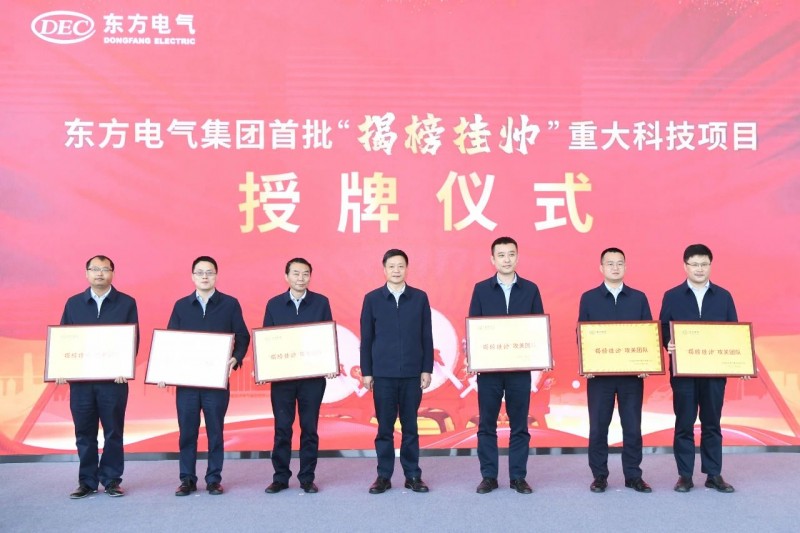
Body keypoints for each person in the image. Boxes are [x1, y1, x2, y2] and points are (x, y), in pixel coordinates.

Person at [166, 256, 250, 496]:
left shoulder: (230, 304)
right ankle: (187, 479)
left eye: (209, 272)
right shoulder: (181, 306)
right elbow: (170, 341)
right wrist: (164, 371)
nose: (205, 276)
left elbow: (243, 336)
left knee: (215, 432)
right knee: (187, 433)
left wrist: (236, 358)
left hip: (216, 382)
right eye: (200, 272)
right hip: (188, 383)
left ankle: (214, 479)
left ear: (216, 275)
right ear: (192, 276)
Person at [660, 244, 739, 493]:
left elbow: (734, 332)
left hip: (714, 373)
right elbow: (663, 328)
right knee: (684, 423)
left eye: (704, 264)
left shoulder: (724, 296)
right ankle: (685, 475)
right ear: (685, 266)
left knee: (712, 423)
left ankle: (713, 474)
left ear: (710, 266)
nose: (699, 269)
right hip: (683, 373)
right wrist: (667, 342)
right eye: (694, 264)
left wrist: (741, 361)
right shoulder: (672, 296)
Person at [58, 255, 139, 499]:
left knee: (114, 431)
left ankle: (112, 480)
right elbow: (64, 339)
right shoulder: (73, 303)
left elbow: (132, 338)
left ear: (113, 273)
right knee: (84, 432)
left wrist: (125, 366)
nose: (100, 273)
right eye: (95, 269)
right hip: (81, 382)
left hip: (113, 382)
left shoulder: (126, 303)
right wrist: (61, 367)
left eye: (105, 269)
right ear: (86, 273)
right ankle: (87, 481)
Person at [469, 236, 543, 494]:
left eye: (511, 254)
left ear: (517, 257)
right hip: (489, 370)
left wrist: (542, 354)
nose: (506, 259)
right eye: (501, 255)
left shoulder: (531, 289)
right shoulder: (481, 289)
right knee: (487, 425)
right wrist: (473, 355)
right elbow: (475, 326)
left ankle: (518, 477)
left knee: (519, 425)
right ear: (493, 259)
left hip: (519, 370)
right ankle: (489, 476)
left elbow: (538, 327)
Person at [578, 247, 653, 493]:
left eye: (620, 263)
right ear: (601, 267)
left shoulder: (639, 298)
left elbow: (648, 334)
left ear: (625, 267)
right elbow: (582, 334)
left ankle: (633, 475)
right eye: (610, 263)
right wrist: (587, 364)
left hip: (632, 376)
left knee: (632, 427)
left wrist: (647, 363)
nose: (615, 267)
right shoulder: (589, 298)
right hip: (600, 376)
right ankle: (599, 475)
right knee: (598, 427)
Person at [360, 249, 433, 494]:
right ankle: (383, 476)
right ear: (384, 269)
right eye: (391, 266)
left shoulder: (419, 298)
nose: (396, 270)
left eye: (401, 266)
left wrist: (426, 368)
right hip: (383, 374)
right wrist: (367, 371)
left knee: (411, 427)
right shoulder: (372, 299)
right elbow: (367, 338)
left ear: (407, 269)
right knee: (384, 428)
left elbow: (426, 335)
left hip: (412, 374)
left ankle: (413, 475)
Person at [262, 258, 335, 494]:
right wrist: (264, 368)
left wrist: (329, 362)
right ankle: (280, 478)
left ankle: (307, 478)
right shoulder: (274, 304)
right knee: (282, 429)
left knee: (309, 428)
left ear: (310, 277)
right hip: (282, 380)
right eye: (295, 273)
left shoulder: (321, 302)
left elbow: (326, 336)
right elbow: (267, 340)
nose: (300, 278)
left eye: (305, 274)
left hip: (312, 379)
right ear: (286, 276)